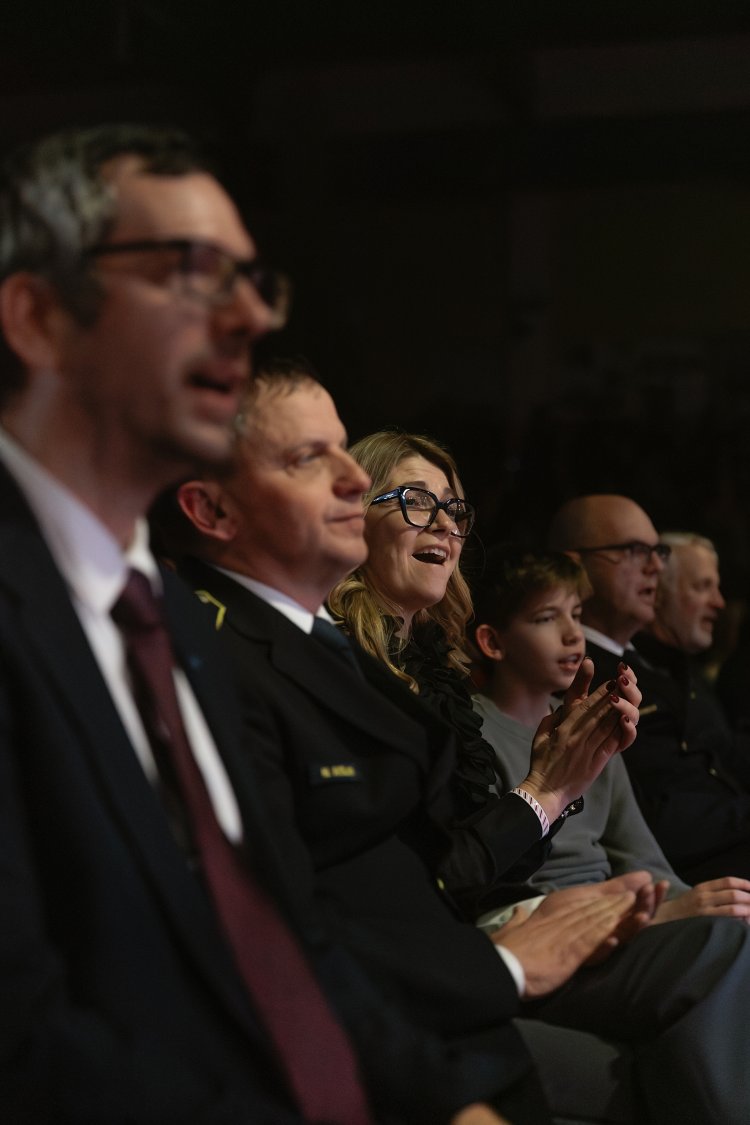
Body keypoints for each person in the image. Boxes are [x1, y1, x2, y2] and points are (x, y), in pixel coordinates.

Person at [0, 123, 530, 1125]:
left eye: (250, 282)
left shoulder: (173, 629)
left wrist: (445, 1105)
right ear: (36, 318)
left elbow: (273, 944)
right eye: (189, 276)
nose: (242, 316)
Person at [164, 366, 750, 1124]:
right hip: (425, 981)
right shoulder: (243, 654)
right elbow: (346, 901)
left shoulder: (392, 668)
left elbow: (463, 864)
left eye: (453, 508)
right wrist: (535, 839)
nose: (442, 523)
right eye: (411, 500)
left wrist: (560, 791)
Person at [471, 544, 750, 924]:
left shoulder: (590, 721)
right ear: (493, 642)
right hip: (545, 917)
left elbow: (640, 855)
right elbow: (493, 874)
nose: (572, 634)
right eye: (546, 618)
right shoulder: (472, 729)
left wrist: (689, 904)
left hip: (621, 906)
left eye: (576, 614)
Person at [549, 495, 750, 883]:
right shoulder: (571, 675)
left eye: (656, 551)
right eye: (635, 551)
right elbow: (650, 816)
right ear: (575, 565)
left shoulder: (656, 663)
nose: (656, 566)